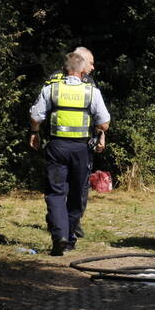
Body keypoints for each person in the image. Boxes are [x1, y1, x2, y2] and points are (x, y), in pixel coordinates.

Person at [29, 50, 110, 256]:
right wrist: (99, 132)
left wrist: (35, 133)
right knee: (77, 194)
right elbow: (104, 122)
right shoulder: (91, 91)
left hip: (57, 147)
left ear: (64, 69)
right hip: (81, 149)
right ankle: (71, 236)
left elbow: (36, 116)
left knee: (55, 194)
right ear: (82, 70)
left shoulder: (52, 89)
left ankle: (60, 236)